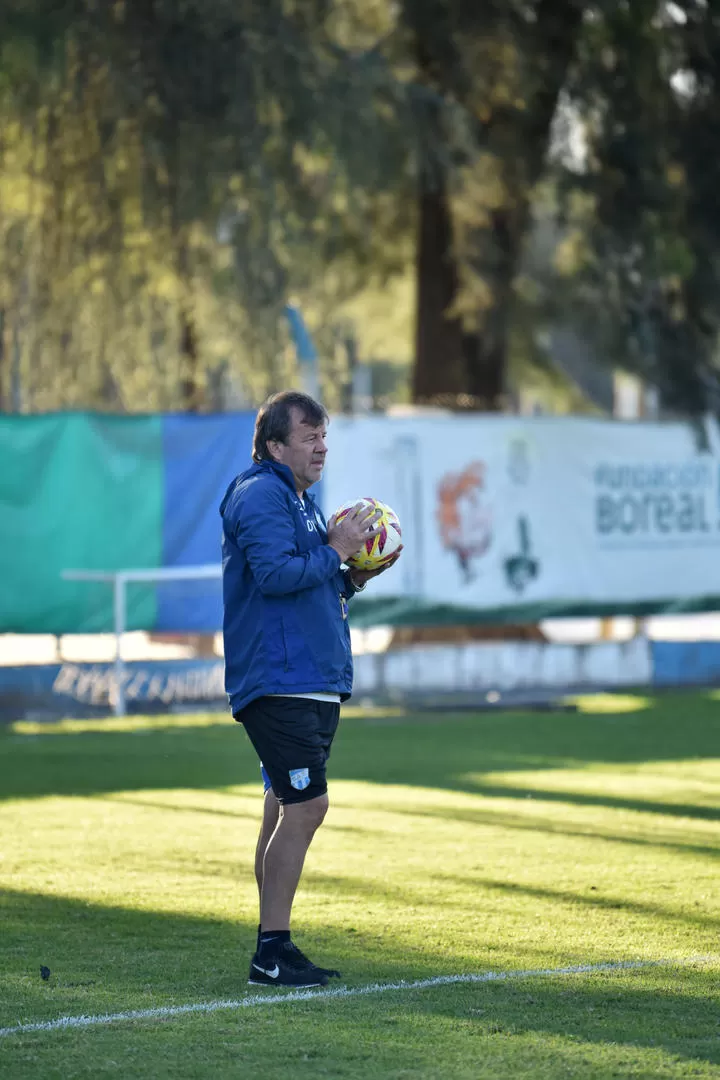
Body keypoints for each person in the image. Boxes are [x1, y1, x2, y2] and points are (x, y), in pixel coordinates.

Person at [219, 390, 401, 988]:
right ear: (275, 445)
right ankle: (271, 951)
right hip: (281, 679)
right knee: (307, 806)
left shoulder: (299, 498)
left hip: (310, 678)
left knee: (281, 807)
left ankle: (274, 944)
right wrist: (336, 549)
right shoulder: (262, 494)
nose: (321, 446)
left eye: (324, 436)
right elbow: (273, 577)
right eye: (308, 436)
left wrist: (353, 573)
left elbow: (316, 584)